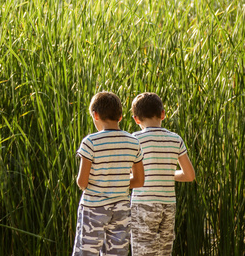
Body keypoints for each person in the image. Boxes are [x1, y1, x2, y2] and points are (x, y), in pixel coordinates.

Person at [72, 91, 144, 256]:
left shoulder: (90, 142)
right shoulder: (133, 142)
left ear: (95, 115)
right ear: (120, 116)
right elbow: (139, 181)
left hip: (93, 209)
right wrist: (118, 183)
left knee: (86, 252)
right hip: (121, 208)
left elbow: (82, 182)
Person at [130, 92, 196, 256]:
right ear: (163, 114)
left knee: (142, 250)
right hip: (168, 205)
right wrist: (165, 173)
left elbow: (128, 174)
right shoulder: (175, 139)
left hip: (143, 204)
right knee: (164, 251)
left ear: (136, 119)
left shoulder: (134, 140)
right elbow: (189, 175)